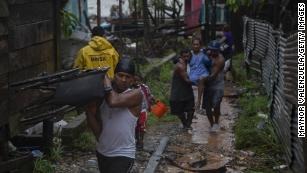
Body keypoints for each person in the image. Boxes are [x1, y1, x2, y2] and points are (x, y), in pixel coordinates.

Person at [86, 58, 143, 173]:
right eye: (120, 75)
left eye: (128, 77)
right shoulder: (104, 95)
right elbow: (98, 128)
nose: (123, 79)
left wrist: (105, 80)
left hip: (123, 154)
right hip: (102, 151)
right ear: (115, 75)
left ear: (133, 80)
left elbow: (113, 102)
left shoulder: (136, 94)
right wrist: (88, 109)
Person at [202, 40, 225, 132]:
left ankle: (216, 122)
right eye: (212, 50)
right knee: (207, 106)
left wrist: (200, 80)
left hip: (217, 85)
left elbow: (214, 75)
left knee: (216, 105)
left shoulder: (220, 60)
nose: (213, 52)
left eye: (215, 50)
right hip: (208, 85)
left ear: (218, 50)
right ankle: (212, 124)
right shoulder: (208, 54)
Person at [170, 49, 195, 130]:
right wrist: (199, 82)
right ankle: (186, 125)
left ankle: (187, 125)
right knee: (179, 111)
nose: (186, 58)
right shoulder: (180, 66)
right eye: (185, 56)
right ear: (181, 56)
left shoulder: (188, 63)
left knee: (191, 109)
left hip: (186, 90)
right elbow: (187, 80)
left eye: (188, 56)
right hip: (179, 91)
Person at [133, 74, 155, 150]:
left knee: (142, 126)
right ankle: (136, 140)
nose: (136, 82)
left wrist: (152, 99)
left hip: (143, 110)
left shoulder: (144, 87)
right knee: (135, 126)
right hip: (133, 111)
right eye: (134, 80)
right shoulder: (130, 88)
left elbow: (149, 95)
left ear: (140, 81)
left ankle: (141, 142)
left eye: (138, 80)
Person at [189, 37, 211, 110]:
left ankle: (198, 102)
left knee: (201, 79)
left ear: (200, 45)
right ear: (192, 45)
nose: (195, 46)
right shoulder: (189, 55)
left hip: (203, 74)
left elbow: (209, 63)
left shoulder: (203, 54)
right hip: (192, 75)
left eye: (197, 44)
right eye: (194, 44)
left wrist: (207, 55)